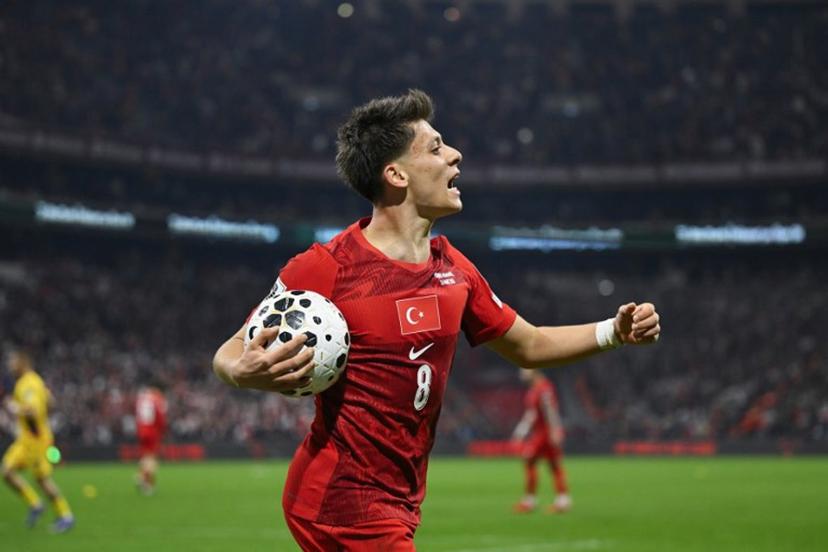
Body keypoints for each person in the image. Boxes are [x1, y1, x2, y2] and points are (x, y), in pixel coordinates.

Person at [213, 89, 661, 551]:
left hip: (400, 501)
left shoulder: (454, 270)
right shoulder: (327, 267)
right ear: (396, 174)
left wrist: (614, 331)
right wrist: (240, 371)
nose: (455, 155)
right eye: (436, 148)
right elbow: (231, 350)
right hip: (342, 501)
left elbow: (530, 345)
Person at [1, 348, 75, 533]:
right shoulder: (34, 381)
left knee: (41, 479)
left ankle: (65, 515)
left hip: (35, 441)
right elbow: (51, 402)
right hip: (28, 438)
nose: (10, 366)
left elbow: (32, 411)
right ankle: (36, 504)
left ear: (22, 363)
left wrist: (15, 408)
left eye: (13, 362)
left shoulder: (28, 384)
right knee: (8, 471)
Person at [512, 368, 571, 514]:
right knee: (553, 465)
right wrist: (521, 431)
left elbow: (550, 410)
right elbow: (532, 414)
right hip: (541, 433)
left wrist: (555, 430)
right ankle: (562, 501)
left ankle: (530, 501)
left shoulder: (544, 389)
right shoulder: (534, 389)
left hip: (545, 434)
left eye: (524, 370)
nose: (521, 374)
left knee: (531, 461)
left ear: (535, 371)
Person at [134, 381, 167, 496]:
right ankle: (146, 483)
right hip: (152, 431)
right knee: (151, 458)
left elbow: (138, 415)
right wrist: (162, 430)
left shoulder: (142, 398)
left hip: (141, 430)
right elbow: (160, 417)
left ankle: (141, 476)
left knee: (146, 456)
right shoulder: (157, 398)